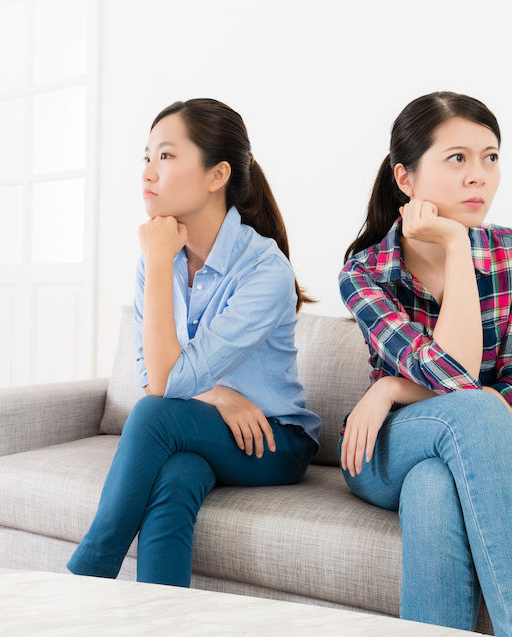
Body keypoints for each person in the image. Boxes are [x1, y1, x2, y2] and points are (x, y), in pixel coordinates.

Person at [67, 98, 321, 587]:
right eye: (146, 157)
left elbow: (159, 391)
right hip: (204, 428)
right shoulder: (157, 255)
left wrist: (159, 264)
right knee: (176, 476)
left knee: (152, 416)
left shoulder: (265, 270)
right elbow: (153, 374)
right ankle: (164, 636)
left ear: (216, 174)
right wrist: (217, 395)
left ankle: (85, 577)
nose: (147, 173)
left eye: (165, 156)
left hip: (275, 440)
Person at [337, 91, 512, 637]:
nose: (478, 176)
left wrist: (390, 385)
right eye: (457, 158)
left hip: (501, 445)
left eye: (491, 157)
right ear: (405, 178)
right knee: (474, 408)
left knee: (435, 486)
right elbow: (457, 379)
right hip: (387, 446)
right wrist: (459, 251)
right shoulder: (366, 271)